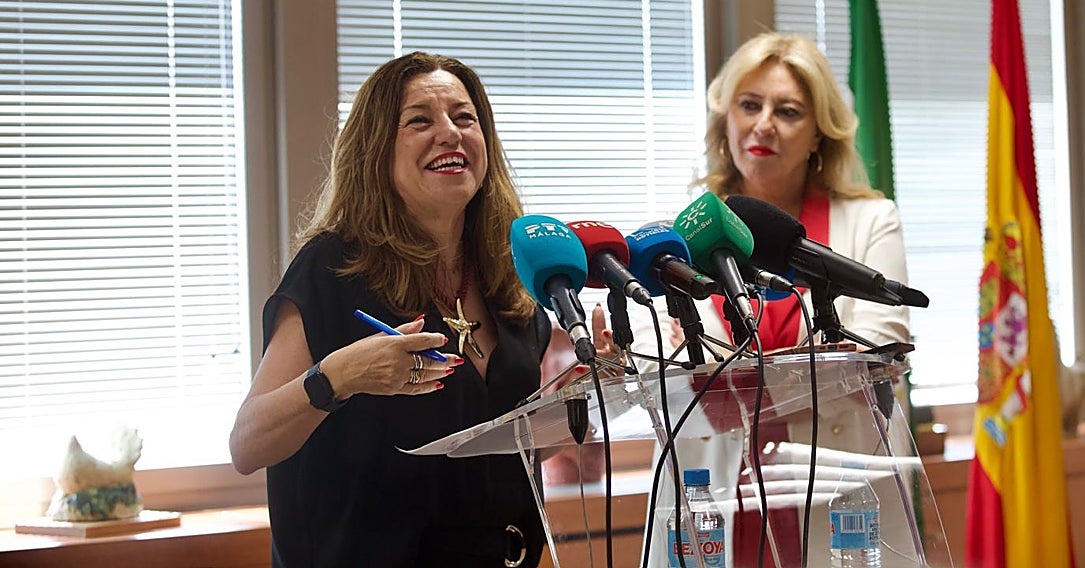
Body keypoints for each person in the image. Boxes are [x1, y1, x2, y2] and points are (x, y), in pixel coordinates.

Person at [229, 52, 552, 568]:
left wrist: (584, 393)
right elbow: (247, 443)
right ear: (376, 150)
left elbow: (499, 455)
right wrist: (339, 375)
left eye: (464, 118)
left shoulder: (511, 276)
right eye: (419, 120)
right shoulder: (334, 269)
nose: (449, 133)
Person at [630, 31, 912, 567]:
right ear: (725, 122)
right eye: (749, 105)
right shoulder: (670, 241)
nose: (763, 124)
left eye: (787, 111)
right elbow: (659, 374)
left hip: (837, 491)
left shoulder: (870, 221)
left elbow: (880, 351)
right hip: (714, 495)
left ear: (817, 136)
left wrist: (722, 371)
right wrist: (811, 369)